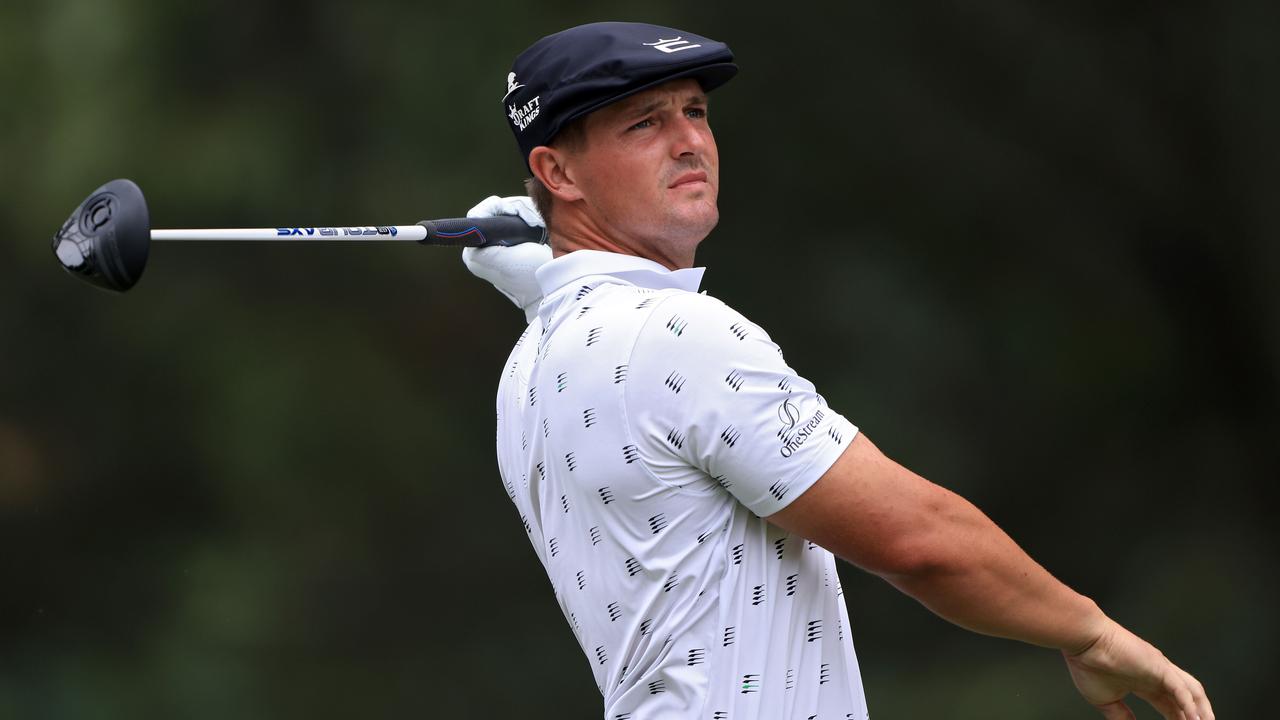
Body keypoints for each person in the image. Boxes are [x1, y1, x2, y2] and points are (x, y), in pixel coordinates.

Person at [461, 21, 1213, 720]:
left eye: (695, 111)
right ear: (556, 171)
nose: (690, 141)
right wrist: (1088, 631)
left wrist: (560, 271)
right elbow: (918, 541)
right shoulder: (675, 334)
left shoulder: (533, 363)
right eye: (645, 123)